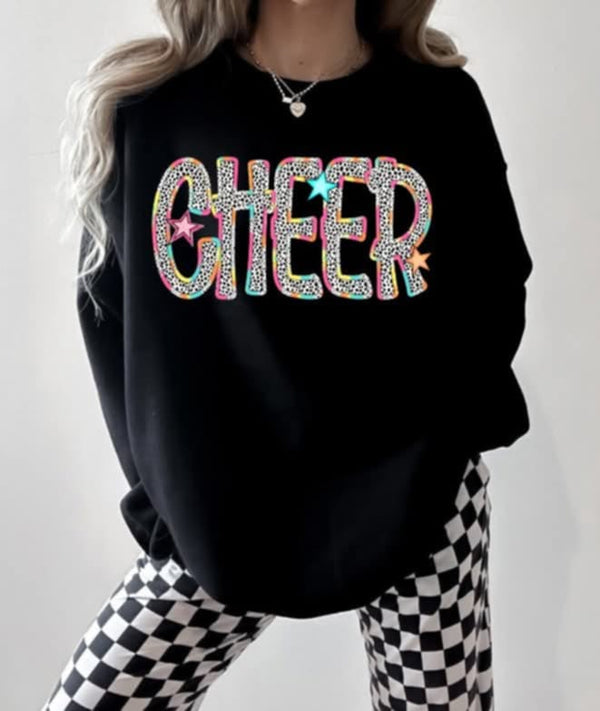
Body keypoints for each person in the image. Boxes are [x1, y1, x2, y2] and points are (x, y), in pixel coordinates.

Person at [43, 0, 533, 708]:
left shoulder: (439, 104)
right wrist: (163, 498)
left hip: (419, 506)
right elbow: (111, 316)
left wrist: (444, 448)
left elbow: (493, 288)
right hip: (219, 516)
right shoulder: (153, 110)